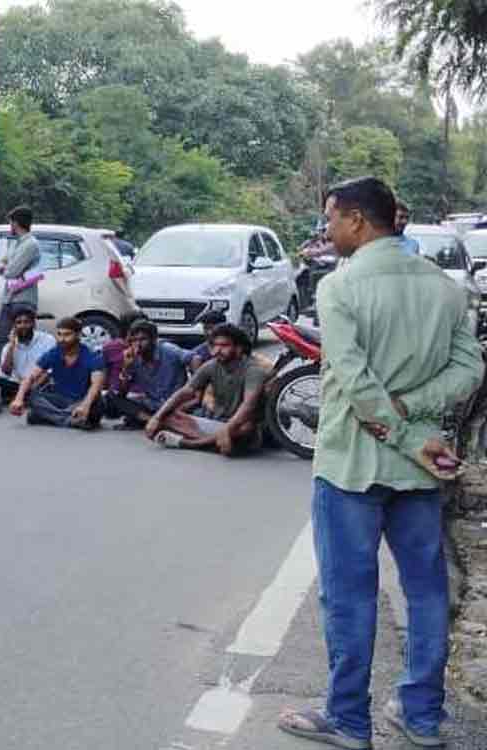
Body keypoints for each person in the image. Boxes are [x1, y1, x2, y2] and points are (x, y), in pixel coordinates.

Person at [276, 177, 483, 750]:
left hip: (351, 467)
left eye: (331, 219)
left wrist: (401, 427)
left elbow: (351, 378)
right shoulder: (444, 288)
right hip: (420, 471)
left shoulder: (341, 287)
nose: (328, 229)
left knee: (349, 594)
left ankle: (348, 719)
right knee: (426, 590)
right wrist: (418, 421)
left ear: (358, 221)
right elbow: (470, 368)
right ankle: (421, 716)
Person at [144, 323, 265, 455]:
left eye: (224, 346)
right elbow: (186, 391)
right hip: (217, 421)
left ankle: (188, 443)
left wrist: (227, 430)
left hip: (239, 424)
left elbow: (249, 405)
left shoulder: (253, 370)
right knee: (168, 417)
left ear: (239, 348)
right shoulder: (212, 365)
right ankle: (214, 443)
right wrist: (156, 417)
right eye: (215, 345)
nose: (217, 350)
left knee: (246, 427)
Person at [8, 317, 106, 430]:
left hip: (82, 400)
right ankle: (70, 420)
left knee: (97, 401)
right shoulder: (54, 352)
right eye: (59, 334)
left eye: (67, 335)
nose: (62, 339)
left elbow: (96, 386)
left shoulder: (91, 356)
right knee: (30, 394)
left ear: (78, 335)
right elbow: (30, 377)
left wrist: (85, 406)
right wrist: (18, 399)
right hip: (59, 400)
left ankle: (47, 416)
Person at [104, 320, 190, 428]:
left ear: (153, 340)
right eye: (134, 340)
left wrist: (194, 390)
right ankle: (154, 421)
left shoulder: (168, 350)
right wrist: (126, 367)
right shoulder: (133, 358)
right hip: (152, 404)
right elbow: (122, 393)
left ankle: (151, 420)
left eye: (143, 339)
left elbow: (195, 358)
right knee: (111, 397)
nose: (138, 344)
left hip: (175, 404)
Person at [0, 206, 41, 347]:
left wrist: (5, 266)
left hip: (23, 299)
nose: (10, 226)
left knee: (23, 341)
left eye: (10, 223)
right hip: (9, 298)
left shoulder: (30, 244)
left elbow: (11, 272)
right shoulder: (16, 243)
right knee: (4, 340)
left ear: (15, 223)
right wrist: (3, 266)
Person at [0, 307, 55, 401]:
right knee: (2, 383)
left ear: (33, 324)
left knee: (51, 385)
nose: (22, 325)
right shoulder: (9, 346)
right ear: (14, 326)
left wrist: (32, 387)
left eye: (26, 322)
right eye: (19, 322)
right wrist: (12, 346)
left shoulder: (47, 340)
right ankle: (27, 397)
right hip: (18, 384)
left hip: (40, 382)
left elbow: (50, 370)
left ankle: (24, 397)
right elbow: (5, 372)